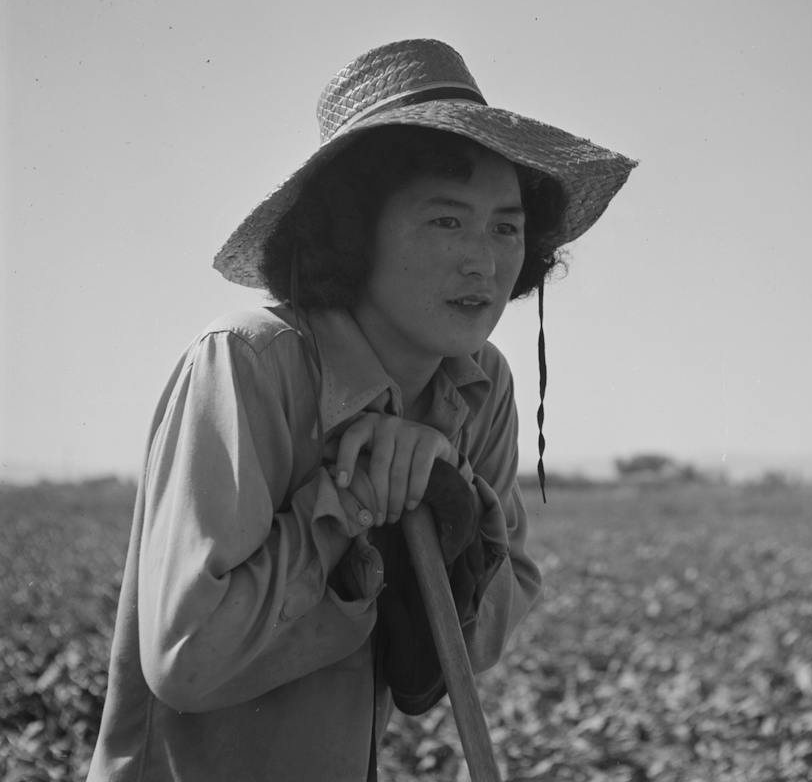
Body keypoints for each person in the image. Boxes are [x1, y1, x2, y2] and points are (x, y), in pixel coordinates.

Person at [87, 39, 636, 781]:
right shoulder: (251, 363)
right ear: (352, 232)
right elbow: (187, 663)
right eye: (446, 221)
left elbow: (467, 653)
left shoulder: (479, 385)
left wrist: (450, 498)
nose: (484, 260)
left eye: (505, 227)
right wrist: (349, 498)